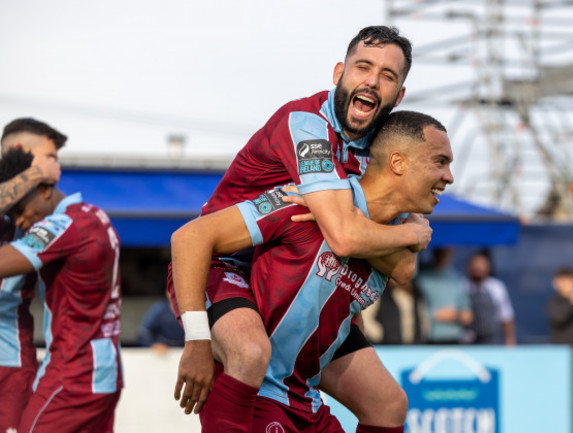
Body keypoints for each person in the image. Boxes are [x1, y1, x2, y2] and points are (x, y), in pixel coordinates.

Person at [171, 26, 432, 432]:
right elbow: (344, 235)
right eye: (363, 67)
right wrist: (411, 234)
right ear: (338, 73)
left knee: (389, 405)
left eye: (387, 75)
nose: (372, 81)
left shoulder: (382, 146)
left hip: (294, 281)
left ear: (398, 96)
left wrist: (383, 224)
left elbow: (402, 270)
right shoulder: (307, 124)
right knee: (251, 353)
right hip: (224, 264)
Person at [0, 147, 123, 432]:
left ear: (44, 189)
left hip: (73, 372)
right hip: (102, 369)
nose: (18, 221)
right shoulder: (94, 215)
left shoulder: (65, 224)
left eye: (20, 209)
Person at [0, 118, 65, 431]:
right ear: (18, 150)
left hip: (11, 361)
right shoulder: (32, 178)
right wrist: (35, 172)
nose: (56, 166)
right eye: (48, 156)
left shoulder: (44, 202)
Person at [415, 247, 473, 344]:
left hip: (455, 339)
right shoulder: (422, 278)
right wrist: (436, 314)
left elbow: (468, 316)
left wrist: (454, 315)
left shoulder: (457, 278)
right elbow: (412, 310)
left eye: (446, 251)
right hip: (429, 338)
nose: (443, 255)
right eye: (440, 251)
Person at [464, 252, 516, 345]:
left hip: (490, 339)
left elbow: (506, 315)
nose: (478, 268)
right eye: (475, 265)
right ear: (469, 268)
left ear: (488, 268)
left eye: (482, 265)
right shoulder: (462, 286)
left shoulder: (497, 287)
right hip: (467, 338)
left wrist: (509, 339)